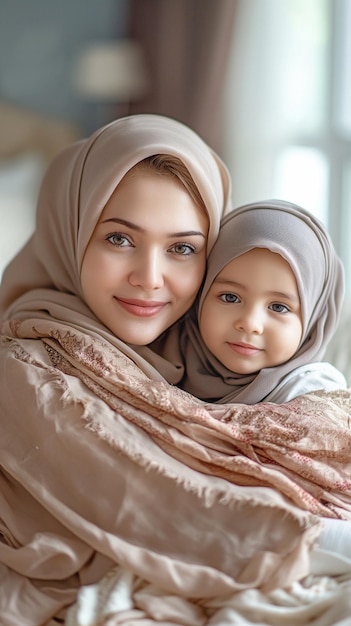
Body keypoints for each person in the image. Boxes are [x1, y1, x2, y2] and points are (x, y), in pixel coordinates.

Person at [0, 118, 350, 625]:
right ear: (70, 229)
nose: (149, 278)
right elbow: (145, 498)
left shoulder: (196, 354)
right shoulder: (29, 362)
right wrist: (319, 536)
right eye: (119, 239)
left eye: (183, 248)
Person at [179, 200, 347, 404]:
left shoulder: (313, 393)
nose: (250, 324)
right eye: (230, 297)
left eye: (278, 307)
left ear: (313, 318)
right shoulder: (164, 360)